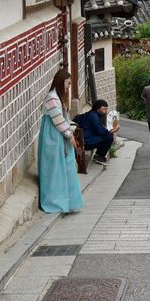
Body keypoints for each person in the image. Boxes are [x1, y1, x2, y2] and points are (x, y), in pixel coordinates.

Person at [37, 69, 83, 213]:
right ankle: (55, 203)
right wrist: (70, 135)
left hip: (59, 135)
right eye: (67, 83)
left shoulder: (57, 97)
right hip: (53, 136)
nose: (68, 86)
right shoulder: (52, 98)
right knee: (55, 169)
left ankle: (68, 202)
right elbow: (57, 120)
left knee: (66, 167)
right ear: (60, 82)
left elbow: (62, 119)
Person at [73, 99, 120, 167]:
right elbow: (100, 131)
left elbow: (99, 129)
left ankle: (98, 156)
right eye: (104, 109)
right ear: (98, 108)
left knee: (108, 135)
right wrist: (113, 131)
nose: (105, 111)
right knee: (109, 137)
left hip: (84, 139)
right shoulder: (93, 116)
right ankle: (99, 157)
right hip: (85, 142)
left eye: (106, 109)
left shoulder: (92, 114)